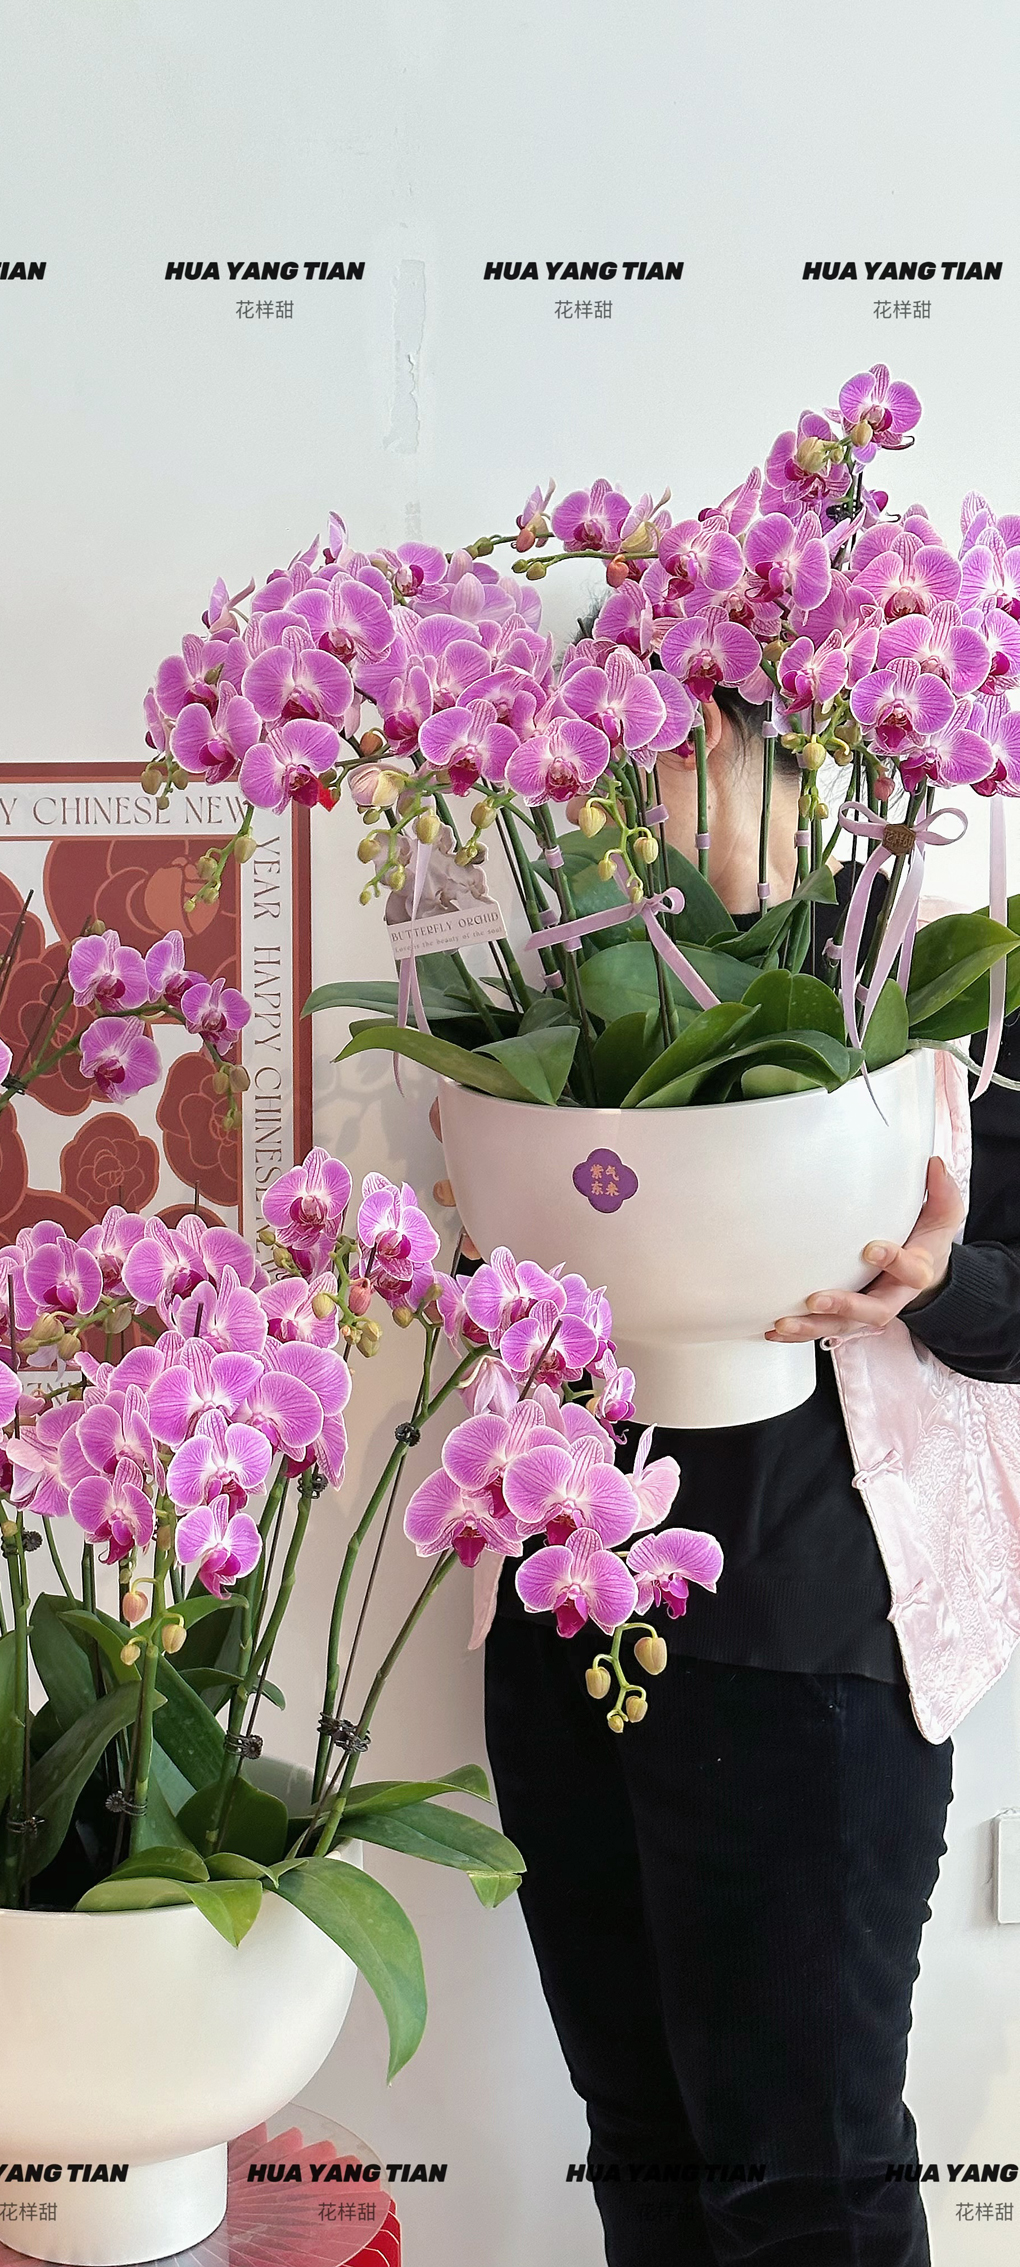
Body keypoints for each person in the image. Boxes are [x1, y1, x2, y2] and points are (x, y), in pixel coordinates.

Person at [477, 687, 1020, 2266]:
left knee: (805, 2184)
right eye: (609, 758)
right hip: (564, 1618)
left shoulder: (945, 998)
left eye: (676, 749)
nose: (630, 794)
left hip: (813, 1632)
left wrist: (942, 1285)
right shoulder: (547, 990)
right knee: (640, 2152)